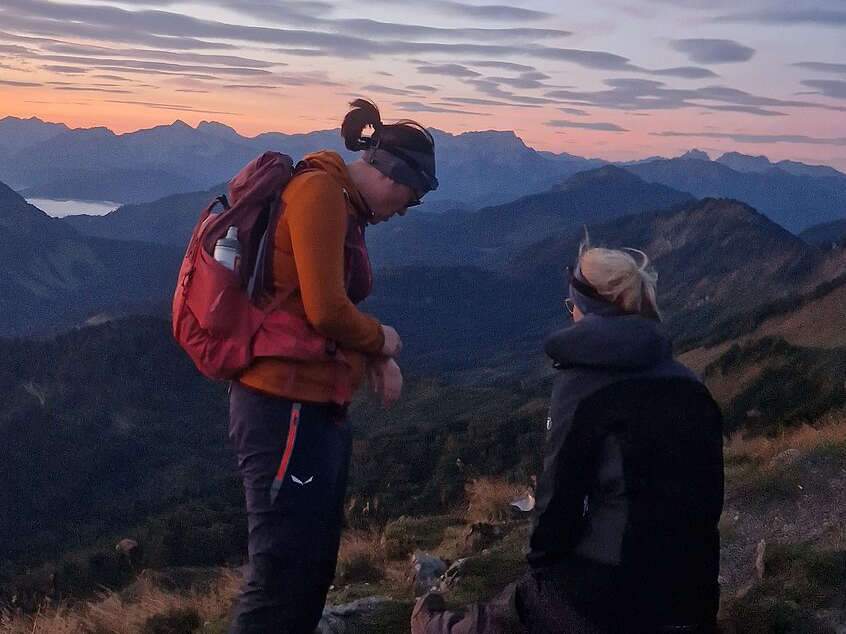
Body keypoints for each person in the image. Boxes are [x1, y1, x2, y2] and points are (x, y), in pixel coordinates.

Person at [412, 239, 724, 634]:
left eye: (571, 306)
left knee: (514, 611)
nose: (571, 314)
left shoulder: (583, 386)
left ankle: (431, 627)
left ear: (588, 310)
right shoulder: (690, 385)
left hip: (611, 599)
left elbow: (556, 500)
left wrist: (542, 568)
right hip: (692, 600)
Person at [228, 98, 438, 634]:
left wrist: (367, 353)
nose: (405, 211)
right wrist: (382, 342)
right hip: (282, 406)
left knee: (311, 566)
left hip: (314, 403)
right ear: (392, 173)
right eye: (411, 198)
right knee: (279, 571)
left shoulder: (343, 204)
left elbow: (314, 306)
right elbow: (325, 309)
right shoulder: (320, 192)